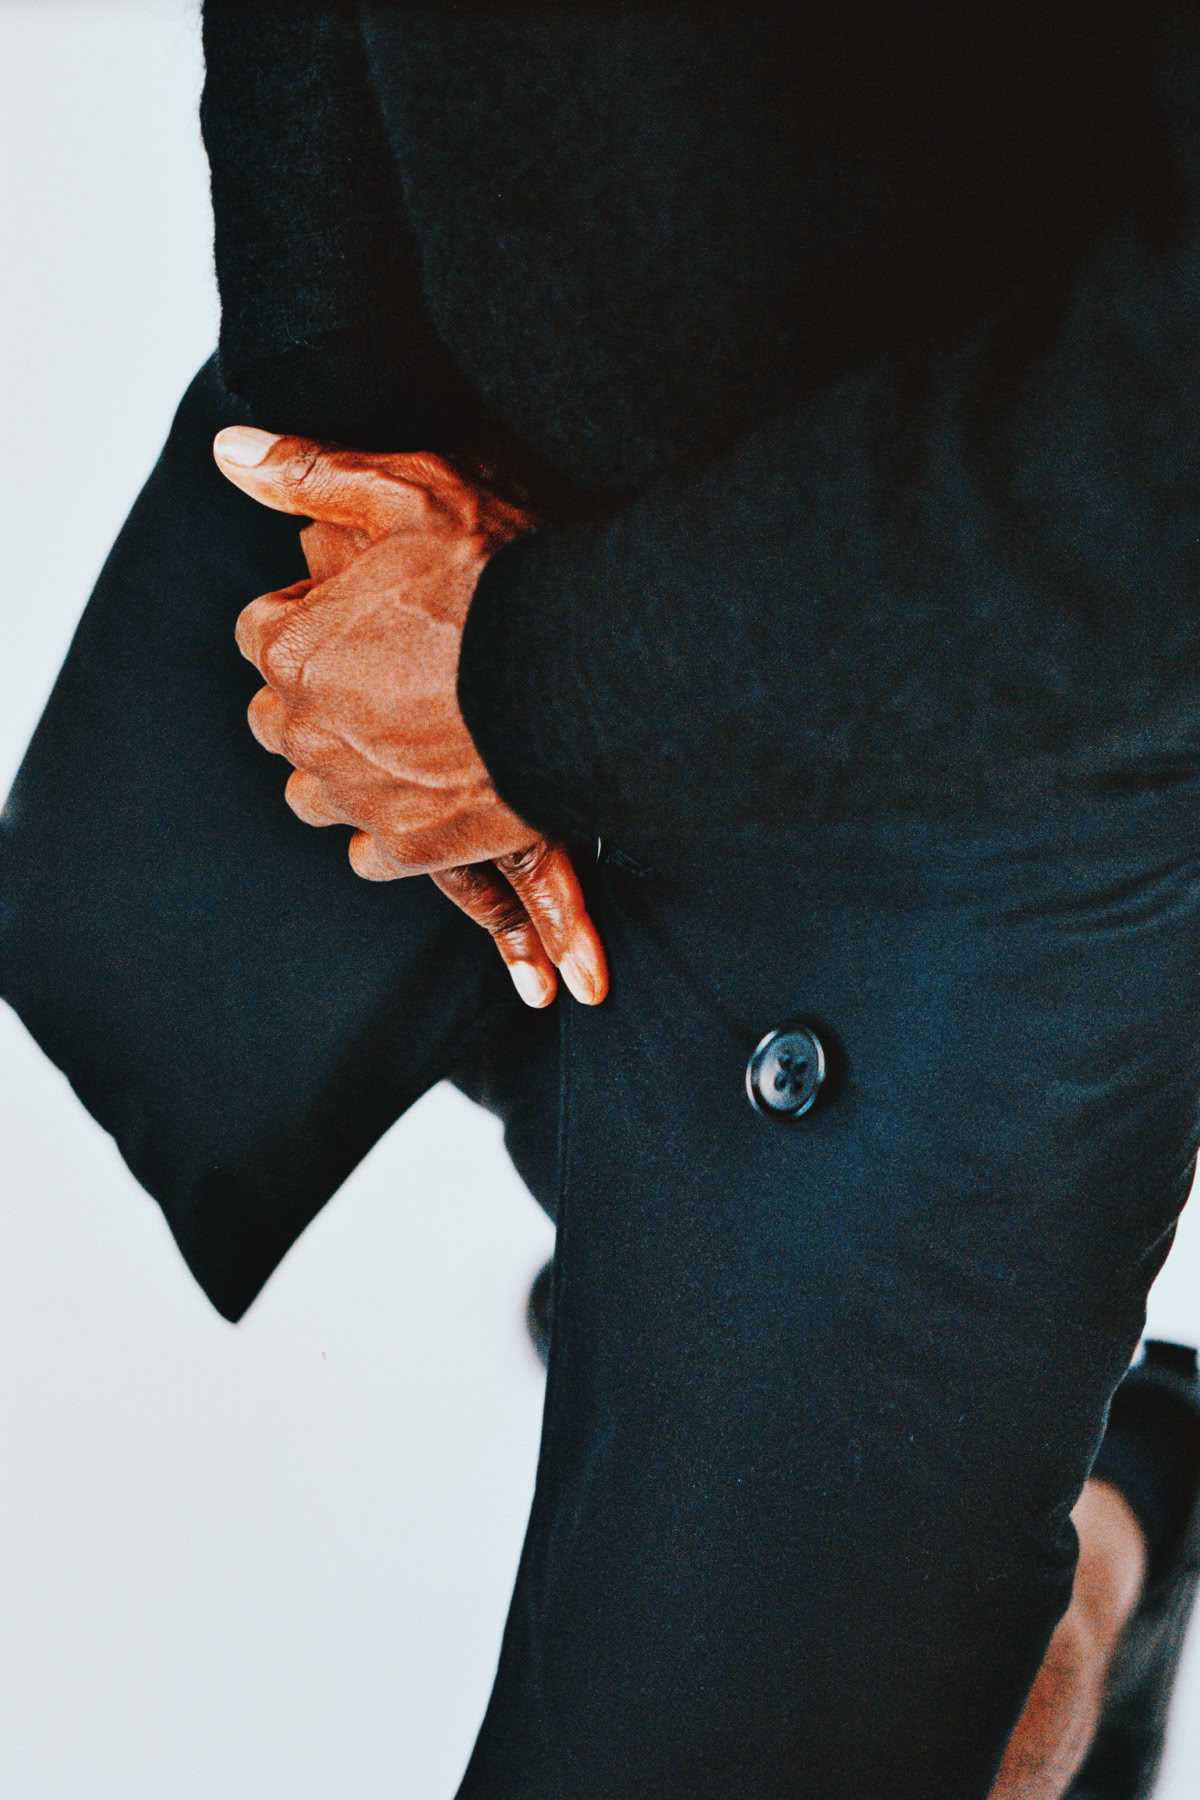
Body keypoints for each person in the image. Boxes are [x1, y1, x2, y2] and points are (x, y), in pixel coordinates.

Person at [4, 2, 1200, 1794]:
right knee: (159, 960)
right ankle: (976, 1469)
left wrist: (529, 694)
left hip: (972, 734)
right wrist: (358, 469)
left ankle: (1074, 1526)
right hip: (477, 503)